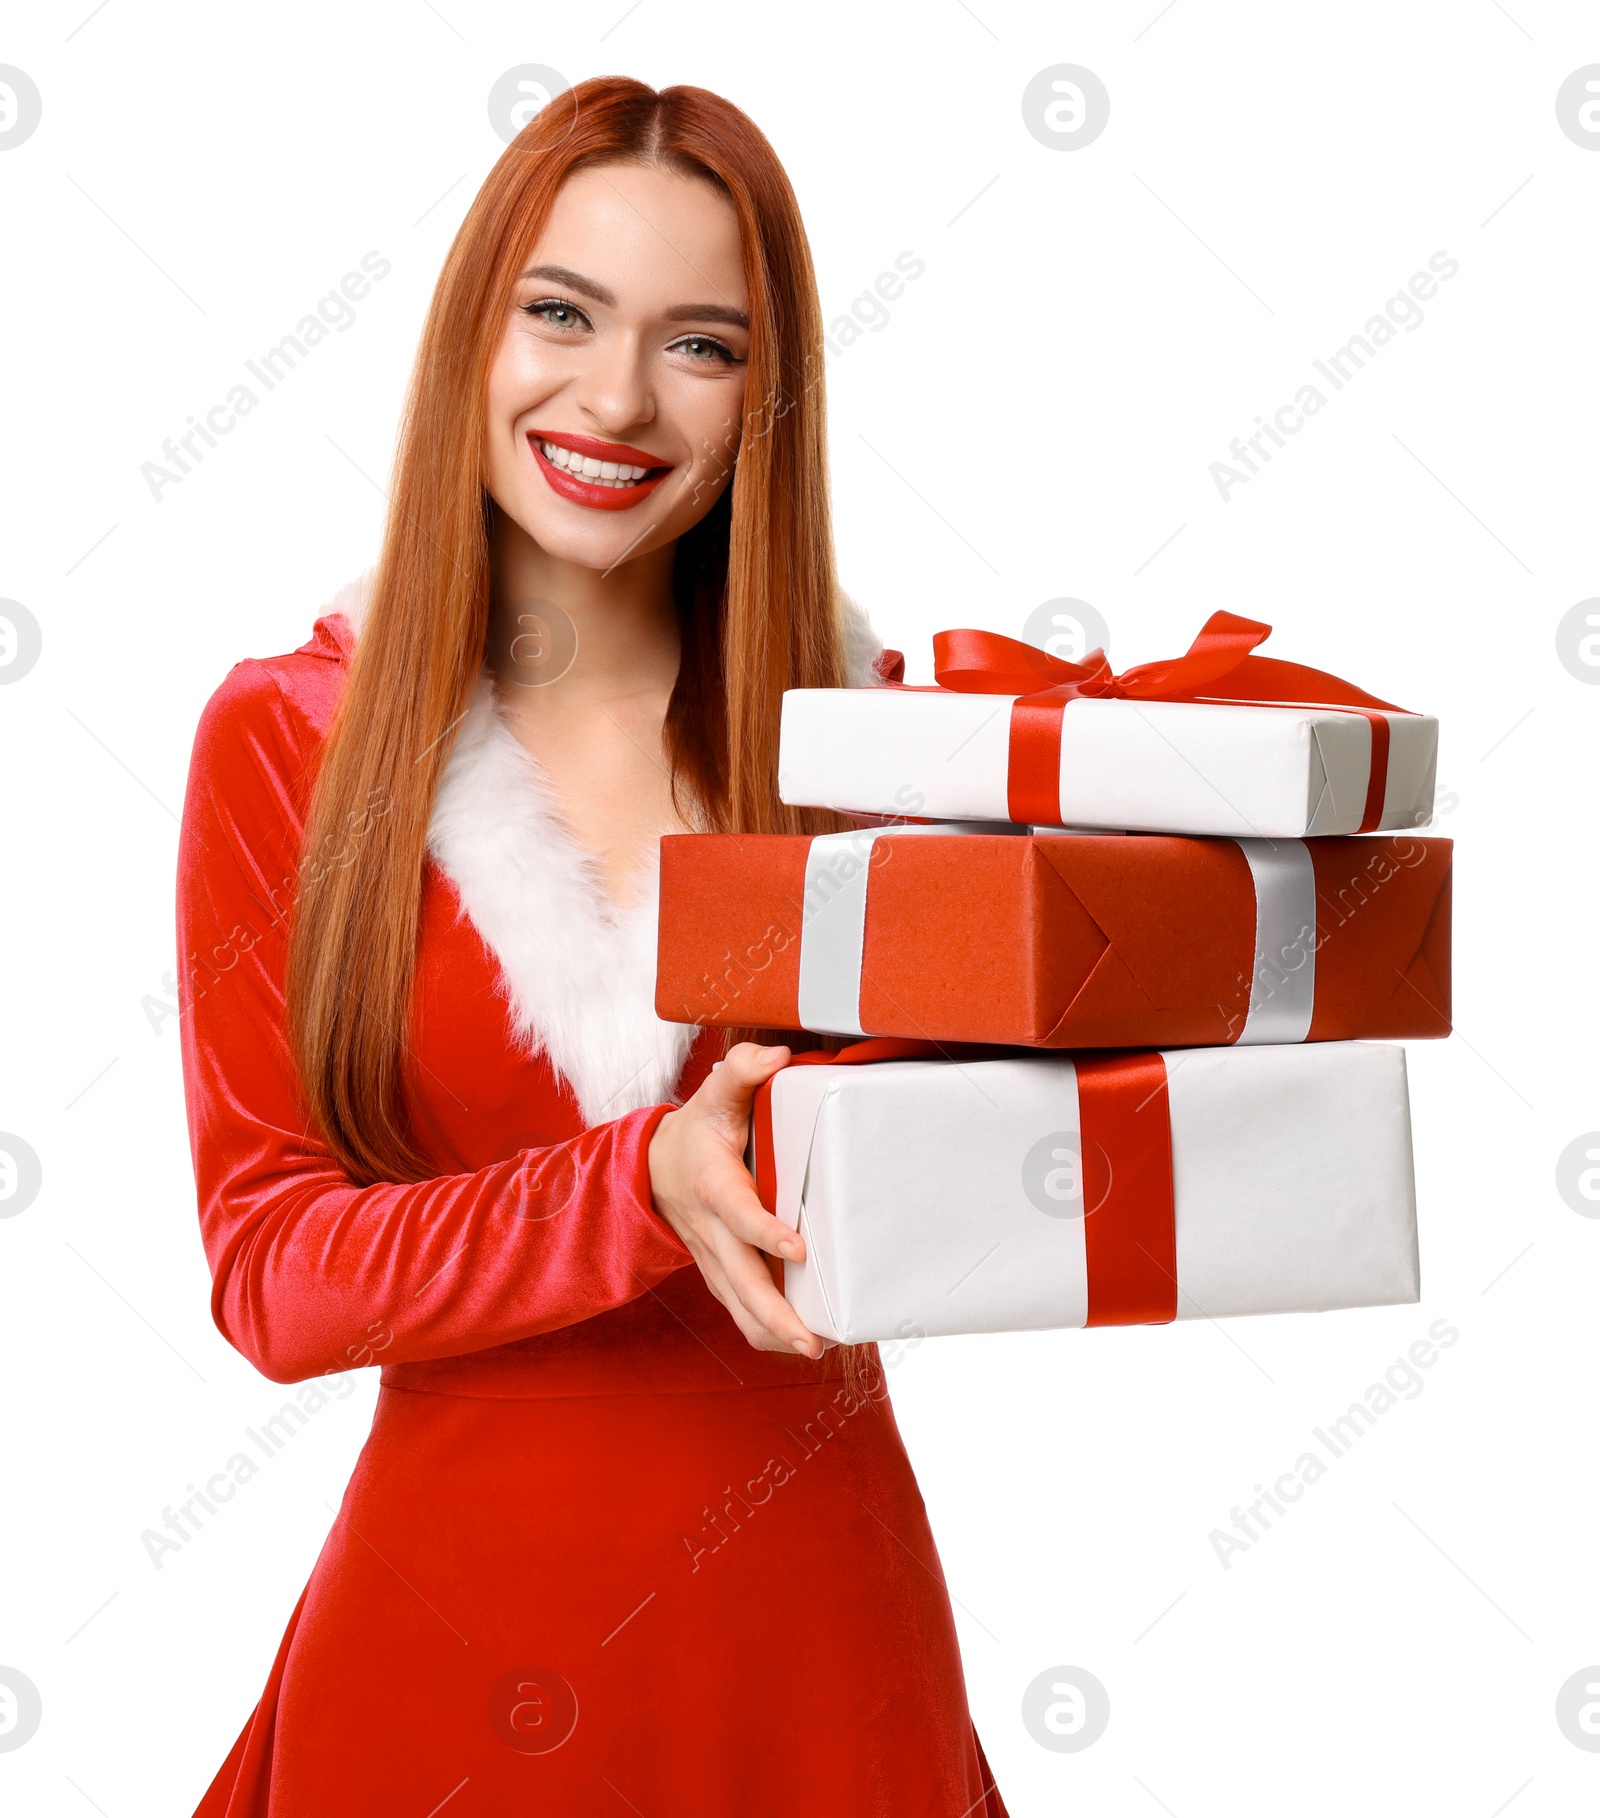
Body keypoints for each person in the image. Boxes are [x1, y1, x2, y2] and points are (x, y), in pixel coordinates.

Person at [180, 75, 1006, 1815]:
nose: (616, 398)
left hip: (815, 1651)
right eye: (562, 312)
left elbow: (1007, 1167)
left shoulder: (884, 750)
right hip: (441, 1649)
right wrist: (640, 1186)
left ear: (765, 397)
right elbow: (270, 1269)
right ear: (475, 331)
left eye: (700, 343)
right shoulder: (286, 742)